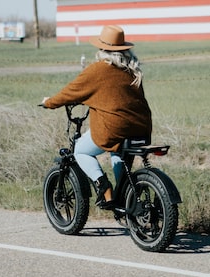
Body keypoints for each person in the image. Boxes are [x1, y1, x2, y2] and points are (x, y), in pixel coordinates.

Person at [41, 25, 152, 208]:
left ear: (102, 49)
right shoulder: (131, 68)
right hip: (141, 127)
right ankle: (124, 196)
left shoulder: (98, 70)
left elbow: (70, 92)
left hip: (115, 129)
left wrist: (49, 102)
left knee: (80, 150)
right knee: (117, 152)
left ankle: (105, 188)